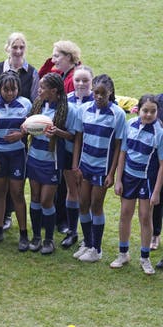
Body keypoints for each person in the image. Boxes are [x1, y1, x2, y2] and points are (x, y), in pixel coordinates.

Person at [72, 74, 126, 262]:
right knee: (83, 204)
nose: (99, 96)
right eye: (96, 92)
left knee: (96, 205)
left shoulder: (118, 114)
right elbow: (78, 138)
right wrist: (75, 165)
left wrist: (112, 173)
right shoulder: (84, 110)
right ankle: (87, 243)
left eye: (103, 93)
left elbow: (119, 146)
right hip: (85, 165)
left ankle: (97, 248)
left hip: (102, 169)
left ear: (110, 92)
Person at [24, 73, 77, 255]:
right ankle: (36, 237)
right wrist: (26, 128)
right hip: (34, 157)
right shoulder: (38, 104)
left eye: (42, 87)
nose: (38, 90)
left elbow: (72, 135)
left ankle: (48, 239)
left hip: (51, 161)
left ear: (53, 91)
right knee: (35, 198)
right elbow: (28, 126)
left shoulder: (67, 109)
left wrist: (57, 132)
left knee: (47, 200)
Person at [112, 95, 163, 275]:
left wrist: (156, 192)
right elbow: (123, 153)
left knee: (144, 217)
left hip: (146, 180)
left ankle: (145, 257)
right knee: (125, 214)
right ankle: (123, 253)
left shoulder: (159, 132)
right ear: (138, 110)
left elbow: (162, 165)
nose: (149, 115)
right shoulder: (130, 125)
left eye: (153, 111)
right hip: (128, 177)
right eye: (145, 111)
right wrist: (118, 180)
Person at [0, 71, 32, 250]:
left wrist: (21, 134)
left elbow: (34, 127)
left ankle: (23, 234)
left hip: (17, 155)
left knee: (17, 193)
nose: (10, 93)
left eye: (13, 90)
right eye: (6, 90)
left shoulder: (26, 104)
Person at [60, 65, 95, 249]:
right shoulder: (66, 100)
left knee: (86, 196)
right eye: (77, 80)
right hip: (68, 151)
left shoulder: (95, 101)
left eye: (85, 80)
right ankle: (72, 231)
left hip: (88, 154)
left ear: (92, 82)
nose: (81, 84)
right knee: (71, 190)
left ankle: (87, 235)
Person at [0, 32, 38, 102]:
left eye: (21, 47)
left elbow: (35, 100)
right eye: (14, 47)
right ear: (8, 48)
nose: (18, 51)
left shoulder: (32, 73)